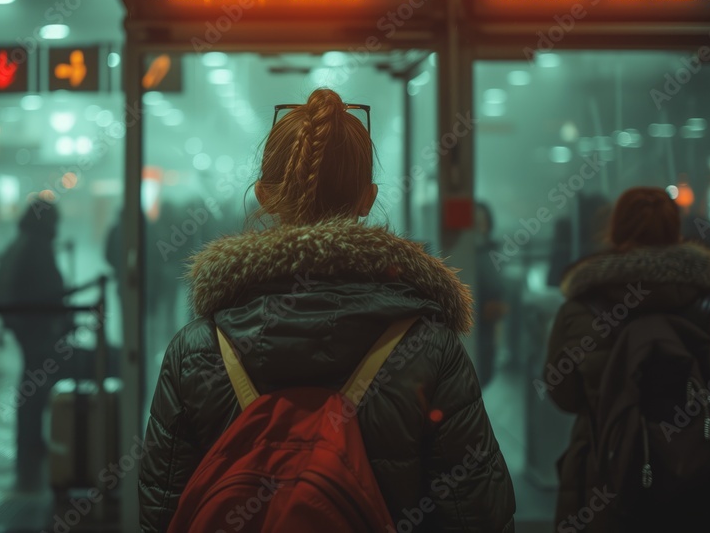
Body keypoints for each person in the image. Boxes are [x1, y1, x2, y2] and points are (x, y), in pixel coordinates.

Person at [138, 88, 516, 531]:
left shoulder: (198, 349)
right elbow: (477, 516)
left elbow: (162, 513)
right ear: (368, 198)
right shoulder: (429, 349)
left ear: (263, 194)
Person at [544, 187, 710, 532]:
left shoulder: (580, 309)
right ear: (676, 232)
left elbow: (563, 396)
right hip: (706, 493)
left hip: (608, 487)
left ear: (615, 231)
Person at [0, 197, 72, 490]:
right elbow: (48, 287)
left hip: (24, 324)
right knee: (35, 380)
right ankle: (29, 440)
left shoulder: (23, 242)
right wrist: (61, 319)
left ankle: (28, 439)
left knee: (32, 377)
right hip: (36, 326)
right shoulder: (36, 247)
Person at [473, 201, 508, 387]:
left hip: (486, 327)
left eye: (482, 223)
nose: (479, 228)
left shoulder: (491, 253)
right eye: (475, 223)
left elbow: (498, 287)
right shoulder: (465, 254)